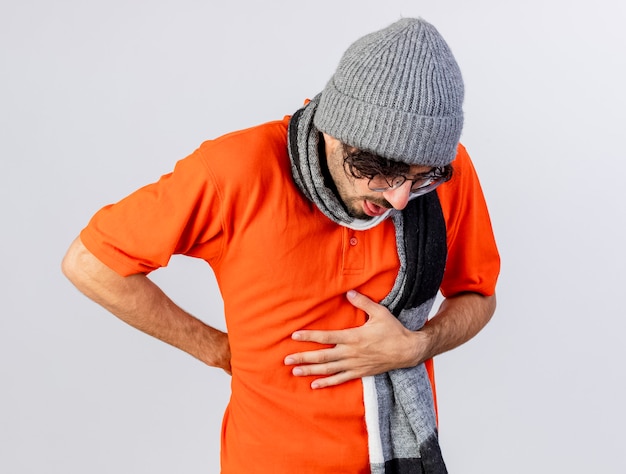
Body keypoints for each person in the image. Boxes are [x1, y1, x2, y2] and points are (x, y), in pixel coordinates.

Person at [62, 18, 499, 474]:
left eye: (420, 176)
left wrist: (418, 345)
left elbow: (478, 294)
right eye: (379, 169)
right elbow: (91, 263)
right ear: (334, 130)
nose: (400, 198)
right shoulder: (235, 171)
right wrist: (216, 349)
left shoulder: (442, 176)